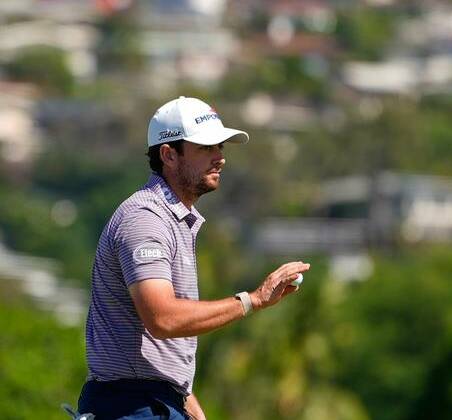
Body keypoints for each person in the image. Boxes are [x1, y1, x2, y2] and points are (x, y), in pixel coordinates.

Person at [75, 96, 310, 419]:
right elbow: (163, 319)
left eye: (221, 147)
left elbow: (158, 354)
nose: (220, 158)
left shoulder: (173, 219)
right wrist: (251, 300)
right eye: (206, 148)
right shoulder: (146, 219)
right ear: (169, 155)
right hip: (130, 406)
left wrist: (188, 403)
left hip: (154, 402)